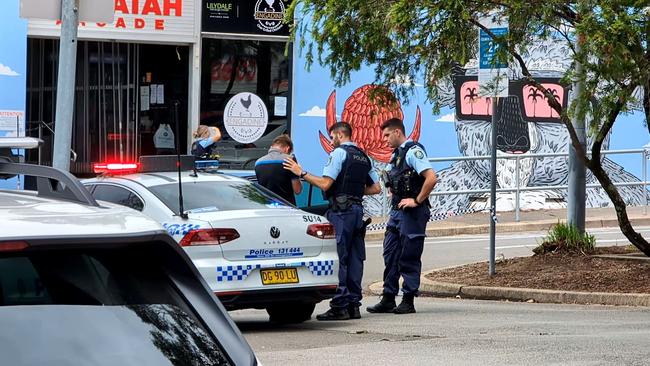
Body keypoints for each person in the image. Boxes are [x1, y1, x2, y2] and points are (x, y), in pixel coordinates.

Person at [284, 122, 381, 321]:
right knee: (355, 258)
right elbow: (376, 188)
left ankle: (340, 306)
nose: (330, 141)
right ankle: (354, 305)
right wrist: (351, 190)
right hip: (357, 211)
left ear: (339, 135)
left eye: (331, 137)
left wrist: (300, 172)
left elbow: (325, 183)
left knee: (339, 257)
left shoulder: (338, 153)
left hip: (341, 213)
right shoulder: (364, 156)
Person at [367, 118, 437, 315]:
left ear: (398, 132)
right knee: (390, 254)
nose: (385, 139)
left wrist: (416, 200)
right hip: (397, 211)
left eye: (387, 135)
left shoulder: (413, 151)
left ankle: (408, 300)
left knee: (409, 255)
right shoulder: (396, 155)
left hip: (412, 213)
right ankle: (388, 297)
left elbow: (431, 178)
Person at [255, 134, 302, 205]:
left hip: (266, 207)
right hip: (286, 208)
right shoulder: (289, 160)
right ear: (287, 148)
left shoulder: (258, 163)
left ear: (271, 147)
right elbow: (297, 190)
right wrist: (299, 172)